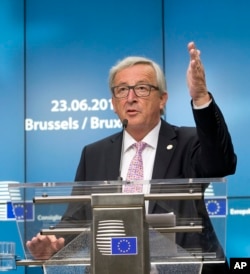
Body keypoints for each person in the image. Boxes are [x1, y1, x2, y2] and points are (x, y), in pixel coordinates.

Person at [26, 41, 236, 273]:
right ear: (114, 103)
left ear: (162, 99)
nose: (131, 97)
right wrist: (55, 241)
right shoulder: (94, 153)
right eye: (122, 90)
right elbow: (76, 218)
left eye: (142, 88)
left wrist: (201, 98)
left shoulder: (189, 142)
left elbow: (221, 163)